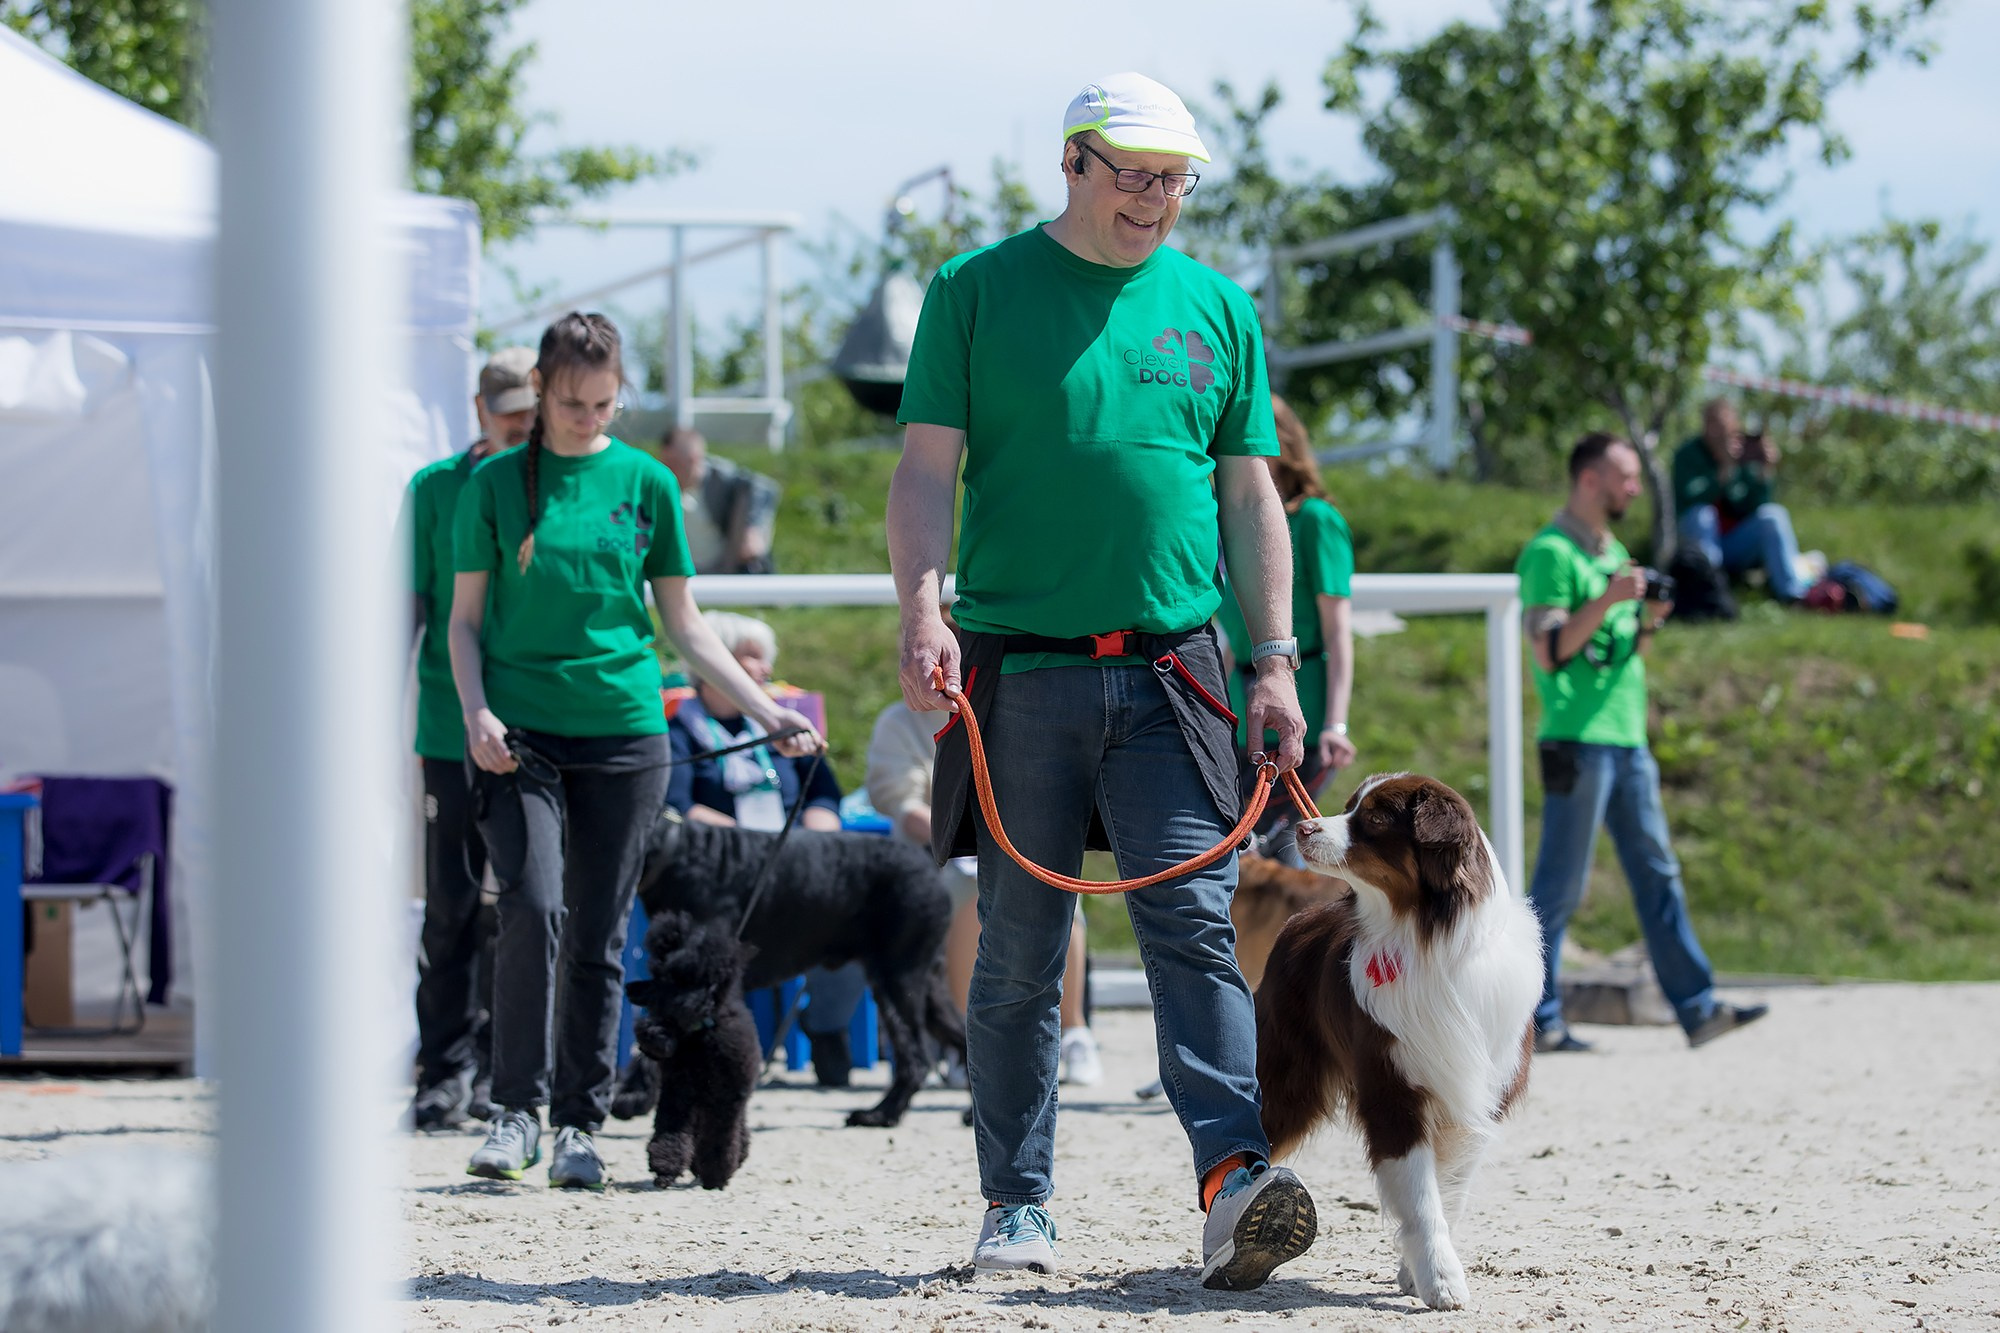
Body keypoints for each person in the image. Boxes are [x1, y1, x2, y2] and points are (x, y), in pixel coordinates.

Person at [887, 72, 1318, 1288]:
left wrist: (1273, 661)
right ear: (1071, 162)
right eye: (1132, 174)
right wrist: (921, 605)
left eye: (1173, 179)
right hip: (1018, 661)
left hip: (1176, 665)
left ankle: (1234, 1181)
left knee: (1191, 922)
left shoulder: (1217, 307)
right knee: (1021, 941)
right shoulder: (973, 291)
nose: (1155, 200)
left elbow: (1249, 496)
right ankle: (1015, 1202)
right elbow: (925, 470)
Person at [450, 312, 820, 1189]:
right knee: (532, 907)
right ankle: (516, 1109)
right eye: (573, 403)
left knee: (600, 930)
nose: (590, 419)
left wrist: (767, 708)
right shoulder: (495, 485)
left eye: (606, 403)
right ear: (541, 392)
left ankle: (579, 1122)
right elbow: (463, 625)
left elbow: (684, 625)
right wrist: (476, 713)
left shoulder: (647, 483)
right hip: (520, 737)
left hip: (625, 732)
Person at [1517, 432, 1770, 1054]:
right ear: (1589, 480)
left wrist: (1646, 623)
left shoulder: (1615, 551)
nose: (1634, 487)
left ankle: (1698, 1006)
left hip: (1627, 738)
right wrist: (1605, 600)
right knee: (1559, 885)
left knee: (1660, 874)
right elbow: (1550, 650)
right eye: (1624, 477)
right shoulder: (1550, 553)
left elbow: (1620, 652)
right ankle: (1538, 1022)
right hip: (1577, 740)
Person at [405, 346, 538, 1130]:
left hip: (533, 723)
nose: (523, 423)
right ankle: (443, 1067)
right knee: (451, 901)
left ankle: (503, 1069)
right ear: (480, 408)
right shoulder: (434, 488)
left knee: (521, 902)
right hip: (446, 721)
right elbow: (403, 604)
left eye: (532, 408)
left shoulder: (555, 479)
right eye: (510, 410)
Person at [662, 610, 859, 1086]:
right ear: (714, 662)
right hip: (722, 876)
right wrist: (753, 848)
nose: (763, 669)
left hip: (795, 866)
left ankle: (827, 1029)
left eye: (764, 659)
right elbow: (679, 806)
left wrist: (816, 837)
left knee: (851, 923)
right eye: (750, 658)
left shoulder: (785, 725)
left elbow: (824, 793)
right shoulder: (679, 731)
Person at [864, 698, 1103, 1088]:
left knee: (1061, 892)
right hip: (935, 854)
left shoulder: (1013, 703)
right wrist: (968, 839)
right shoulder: (899, 721)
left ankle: (1074, 1031)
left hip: (1014, 844)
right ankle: (964, 1039)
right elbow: (903, 805)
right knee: (967, 889)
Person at [1214, 393, 1357, 865]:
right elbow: (1231, 635)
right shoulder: (1223, 522)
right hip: (1239, 719)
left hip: (1302, 713)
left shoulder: (1316, 520)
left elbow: (1338, 634)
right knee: (1241, 863)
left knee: (1291, 859)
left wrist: (1336, 724)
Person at [1672, 398, 1808, 602]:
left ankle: (1792, 593)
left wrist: (1765, 472)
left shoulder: (1743, 454)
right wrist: (1724, 470)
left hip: (1735, 543)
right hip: (1699, 544)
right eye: (1715, 426)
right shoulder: (1687, 454)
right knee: (1703, 515)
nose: (1722, 434)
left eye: (1727, 428)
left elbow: (1756, 506)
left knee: (1774, 515)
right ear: (1705, 426)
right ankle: (1710, 588)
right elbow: (1690, 498)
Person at [658, 427, 782, 574]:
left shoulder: (722, 478)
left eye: (673, 464)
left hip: (726, 569)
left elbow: (762, 488)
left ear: (694, 459)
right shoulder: (662, 487)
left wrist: (752, 528)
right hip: (688, 572)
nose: (667, 471)